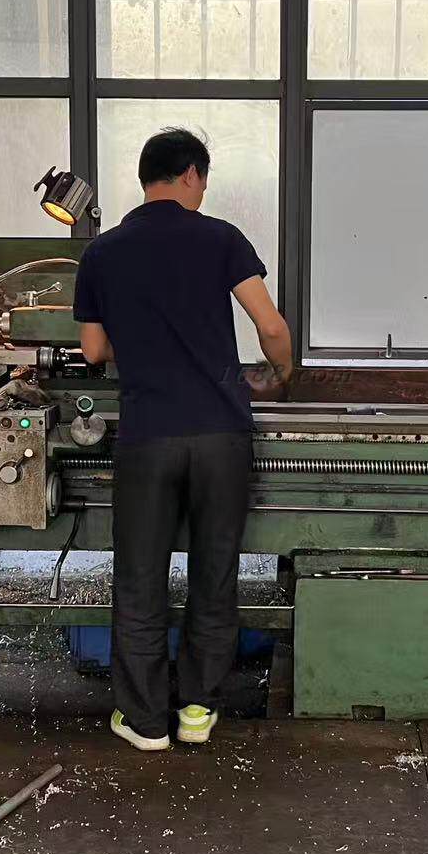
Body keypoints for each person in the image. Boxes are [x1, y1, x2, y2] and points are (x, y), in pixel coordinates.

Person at [73, 127, 294, 751]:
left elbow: (92, 350)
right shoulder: (221, 238)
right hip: (221, 434)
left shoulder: (102, 252)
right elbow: (269, 325)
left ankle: (145, 722)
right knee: (213, 574)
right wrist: (282, 372)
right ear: (192, 175)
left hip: (148, 435)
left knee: (140, 580)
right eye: (203, 181)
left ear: (146, 179)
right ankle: (198, 710)